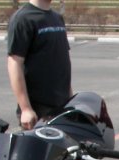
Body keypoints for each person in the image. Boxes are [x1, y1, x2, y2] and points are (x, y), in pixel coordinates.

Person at [7, 0, 73, 130]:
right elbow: (14, 63)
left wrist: (71, 99)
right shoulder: (23, 18)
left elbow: (62, 62)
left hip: (62, 107)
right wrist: (26, 109)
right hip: (39, 113)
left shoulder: (57, 18)